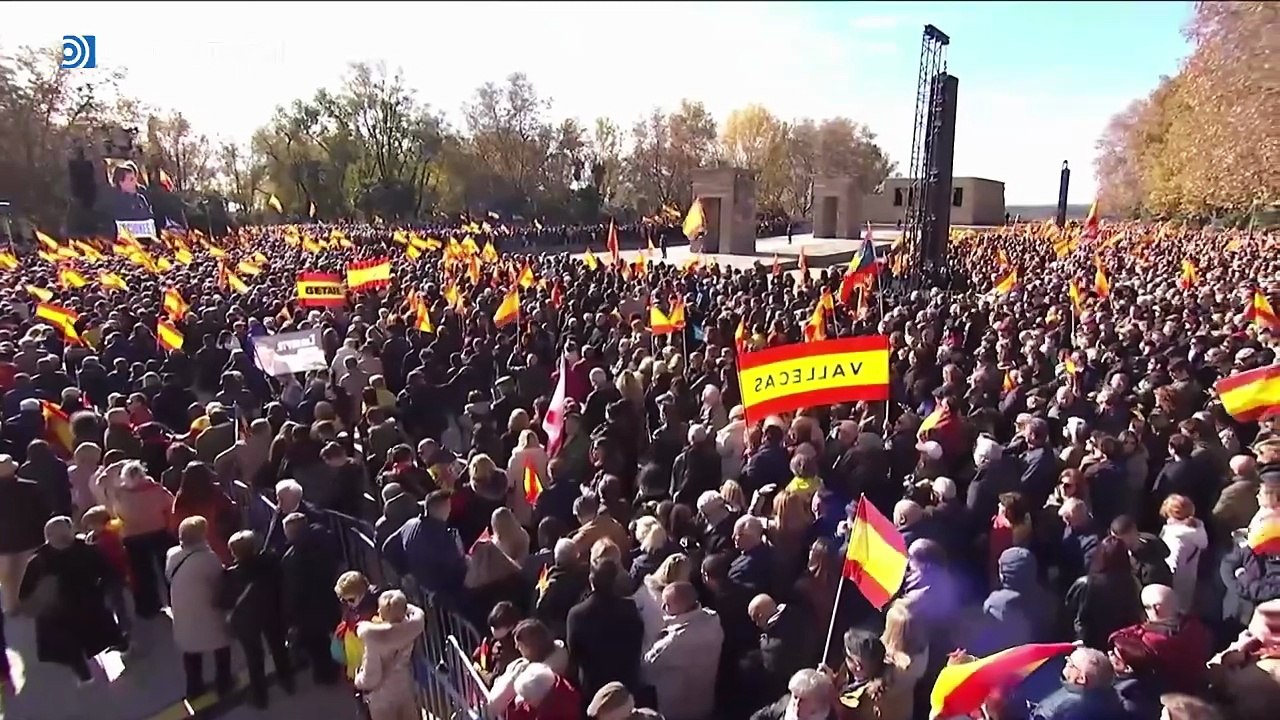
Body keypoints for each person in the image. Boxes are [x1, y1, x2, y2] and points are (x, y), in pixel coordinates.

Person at [17, 516, 122, 685]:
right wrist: (101, 591)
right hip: (90, 606)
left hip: (57, 615)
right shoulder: (86, 551)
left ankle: (86, 678)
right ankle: (123, 648)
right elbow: (108, 573)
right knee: (106, 633)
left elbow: (24, 594)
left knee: (71, 650)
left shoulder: (38, 561)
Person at [219, 529, 295, 708]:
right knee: (278, 648)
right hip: (272, 611)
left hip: (248, 620)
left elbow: (224, 601)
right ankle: (287, 681)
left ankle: (260, 697)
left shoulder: (231, 575)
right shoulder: (270, 561)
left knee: (254, 658)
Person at [166, 515, 232, 699]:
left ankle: (194, 688)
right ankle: (224, 683)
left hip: (183, 613)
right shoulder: (208, 558)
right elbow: (219, 583)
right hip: (207, 611)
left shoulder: (172, 555)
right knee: (221, 646)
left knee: (191, 652)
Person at [641, 581, 723, 720]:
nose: (662, 607)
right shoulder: (713, 620)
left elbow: (647, 666)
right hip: (704, 702)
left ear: (681, 606)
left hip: (676, 709)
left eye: (667, 604)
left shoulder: (674, 641)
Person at [566, 557, 645, 701]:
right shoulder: (629, 609)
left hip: (593, 687)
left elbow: (574, 656)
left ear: (591, 580)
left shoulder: (577, 614)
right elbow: (637, 644)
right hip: (626, 683)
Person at [354, 589, 426, 720]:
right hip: (404, 688)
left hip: (382, 697)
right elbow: (417, 612)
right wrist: (400, 607)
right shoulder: (412, 628)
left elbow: (372, 677)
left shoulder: (374, 640)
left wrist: (359, 680)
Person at [0, 453, 50, 613]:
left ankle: (10, 605)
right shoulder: (30, 487)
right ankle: (24, 603)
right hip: (29, 537)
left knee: (7, 577)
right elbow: (43, 511)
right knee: (24, 573)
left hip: (3, 541)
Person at [1031, 647, 1128, 720]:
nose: (1066, 661)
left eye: (1070, 663)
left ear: (1081, 679)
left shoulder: (1065, 707)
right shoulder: (1111, 697)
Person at [750, 668, 838, 720]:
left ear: (816, 702)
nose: (797, 703)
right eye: (795, 697)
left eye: (803, 699)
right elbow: (761, 715)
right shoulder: (786, 703)